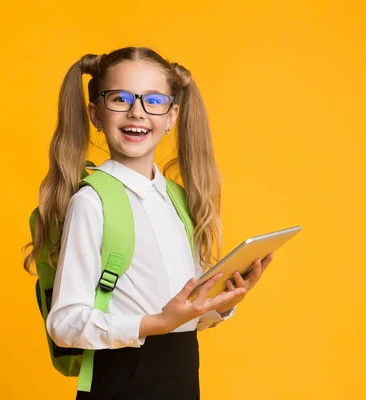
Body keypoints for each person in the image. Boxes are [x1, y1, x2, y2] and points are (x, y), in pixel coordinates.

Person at [23, 47, 274, 399]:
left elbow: (180, 318)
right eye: (120, 98)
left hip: (181, 378)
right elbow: (64, 324)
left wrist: (221, 302)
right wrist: (156, 323)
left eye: (153, 101)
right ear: (95, 113)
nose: (136, 112)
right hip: (120, 383)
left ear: (172, 116)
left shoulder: (179, 200)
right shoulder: (92, 202)